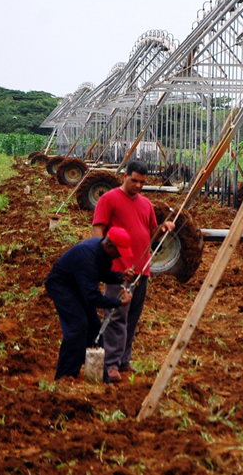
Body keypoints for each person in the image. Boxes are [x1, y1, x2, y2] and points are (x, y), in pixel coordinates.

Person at [92, 159, 175, 383]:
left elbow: (151, 233)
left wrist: (163, 227)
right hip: (118, 269)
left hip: (142, 269)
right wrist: (100, 260)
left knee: (132, 317)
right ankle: (110, 364)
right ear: (125, 177)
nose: (138, 186)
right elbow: (98, 229)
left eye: (142, 182)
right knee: (116, 316)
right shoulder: (108, 199)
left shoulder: (146, 204)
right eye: (134, 181)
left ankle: (123, 360)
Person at [44, 229, 136, 380]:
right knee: (77, 326)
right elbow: (93, 297)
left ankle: (99, 375)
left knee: (94, 327)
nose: (120, 256)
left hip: (77, 285)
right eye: (119, 253)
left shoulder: (102, 252)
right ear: (109, 247)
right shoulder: (88, 256)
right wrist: (119, 302)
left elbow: (100, 274)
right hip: (62, 286)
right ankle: (65, 376)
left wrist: (120, 276)